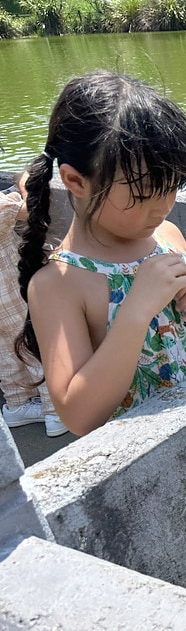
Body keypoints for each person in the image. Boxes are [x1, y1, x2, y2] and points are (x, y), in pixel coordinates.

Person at [15, 70, 186, 438]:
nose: (163, 207)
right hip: (152, 454)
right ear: (76, 181)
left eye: (172, 187)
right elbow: (79, 415)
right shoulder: (58, 285)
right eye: (143, 194)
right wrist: (135, 311)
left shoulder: (168, 236)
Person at [1, 171, 66, 437]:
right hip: (9, 287)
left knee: (5, 350)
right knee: (35, 341)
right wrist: (24, 181)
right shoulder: (2, 205)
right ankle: (54, 412)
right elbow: (31, 209)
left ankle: (17, 405)